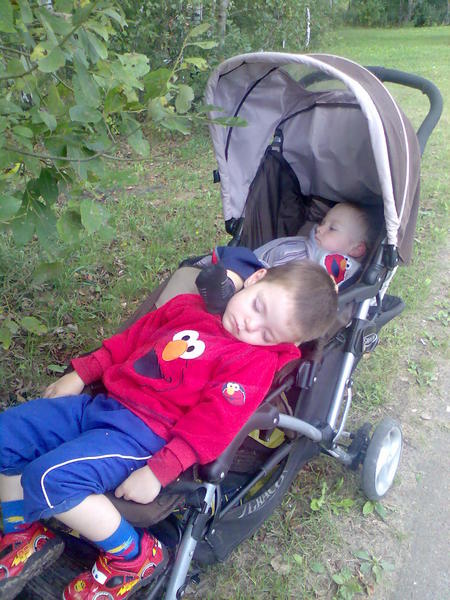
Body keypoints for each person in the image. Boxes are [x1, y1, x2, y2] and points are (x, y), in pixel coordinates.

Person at [0, 261, 337, 600]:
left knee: (49, 479)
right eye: (258, 306)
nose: (251, 324)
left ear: (285, 342)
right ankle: (22, 533)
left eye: (267, 334)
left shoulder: (252, 362)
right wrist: (81, 374)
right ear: (256, 278)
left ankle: (134, 557)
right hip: (101, 406)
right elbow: (129, 341)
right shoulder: (188, 307)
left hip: (142, 437)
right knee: (6, 436)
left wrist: (158, 472)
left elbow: (213, 424)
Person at [196, 201, 375, 314]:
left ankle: (227, 286)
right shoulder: (309, 242)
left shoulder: (340, 267)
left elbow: (329, 294)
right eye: (323, 222)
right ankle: (223, 286)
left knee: (243, 261)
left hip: (276, 293)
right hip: (257, 271)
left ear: (356, 249)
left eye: (332, 228)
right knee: (240, 257)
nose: (320, 229)